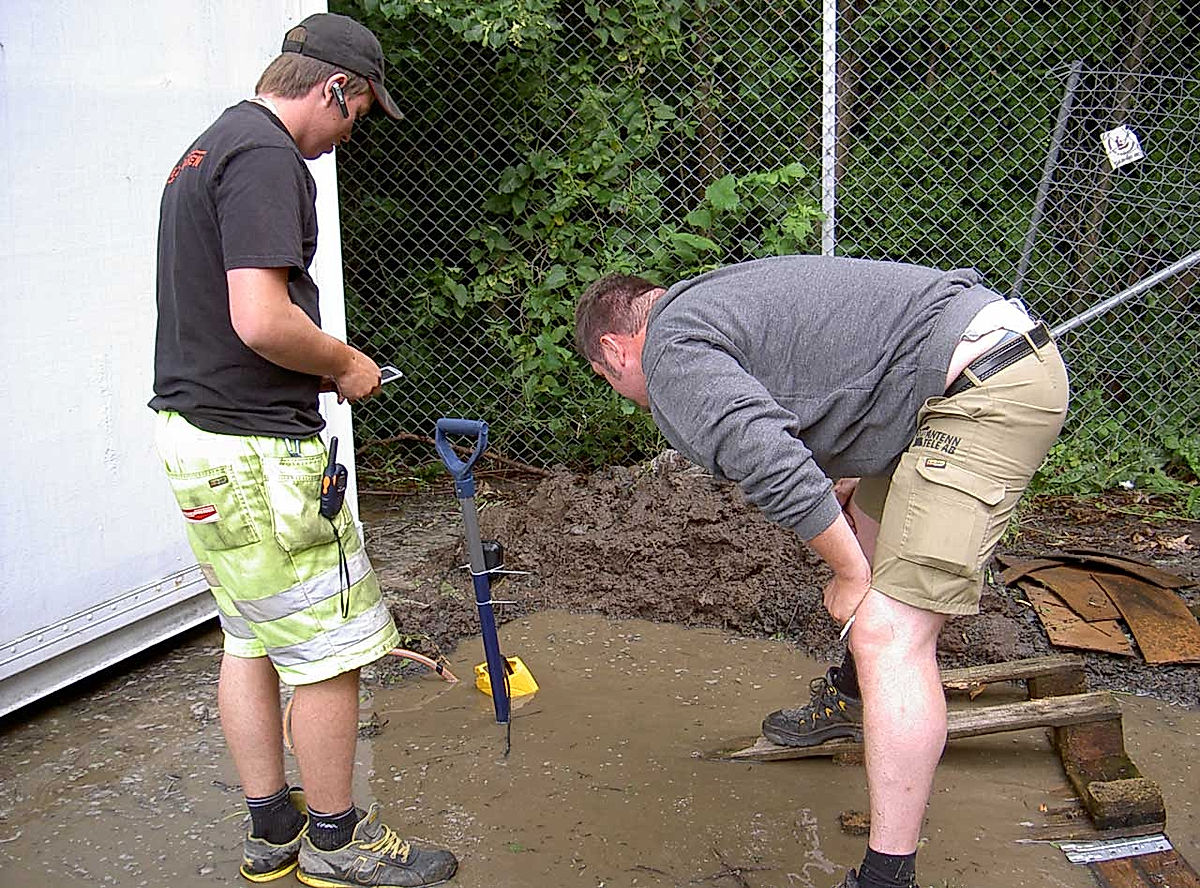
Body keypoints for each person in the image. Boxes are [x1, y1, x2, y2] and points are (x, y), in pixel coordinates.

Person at [573, 256, 1068, 888]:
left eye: (602, 375)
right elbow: (839, 369)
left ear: (615, 351)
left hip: (988, 389)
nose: (616, 388)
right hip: (950, 375)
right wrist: (854, 494)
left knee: (886, 631)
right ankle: (854, 699)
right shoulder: (703, 306)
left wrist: (851, 574)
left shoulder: (671, 354)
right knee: (863, 510)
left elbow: (768, 457)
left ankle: (887, 877)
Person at [150, 13, 458, 888]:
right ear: (334, 88)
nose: (346, 138)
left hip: (198, 438)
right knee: (332, 645)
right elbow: (261, 318)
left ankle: (271, 828)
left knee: (248, 635)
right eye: (357, 115)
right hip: (255, 456)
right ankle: (337, 841)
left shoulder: (206, 149)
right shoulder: (264, 157)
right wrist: (347, 364)